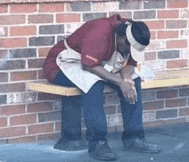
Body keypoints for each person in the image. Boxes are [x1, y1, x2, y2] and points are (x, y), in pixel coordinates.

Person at [43, 14, 161, 161]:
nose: (131, 52)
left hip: (93, 63)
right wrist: (119, 82)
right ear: (122, 39)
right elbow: (89, 65)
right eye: (129, 48)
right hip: (63, 64)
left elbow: (131, 63)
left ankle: (134, 138)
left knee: (134, 81)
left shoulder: (131, 33)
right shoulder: (100, 30)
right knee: (94, 84)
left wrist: (126, 79)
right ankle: (98, 143)